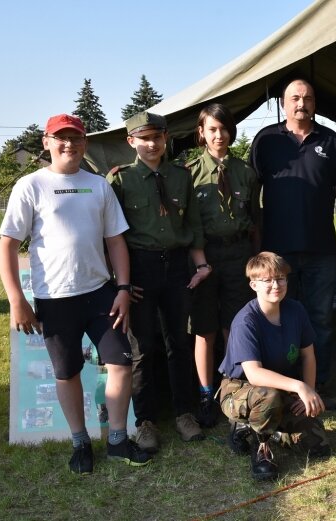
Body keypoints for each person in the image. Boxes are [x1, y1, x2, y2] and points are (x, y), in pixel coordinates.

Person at [0, 113, 151, 473]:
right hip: (55, 299)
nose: (70, 144)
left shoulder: (98, 185)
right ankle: (80, 442)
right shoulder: (30, 186)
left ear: (85, 143)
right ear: (46, 143)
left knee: (121, 363)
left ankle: (116, 439)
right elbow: (7, 246)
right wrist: (17, 300)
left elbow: (115, 240)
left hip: (100, 294)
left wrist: (123, 288)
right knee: (66, 373)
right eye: (61, 138)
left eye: (77, 138)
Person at [249, 78, 336, 409]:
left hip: (321, 250)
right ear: (283, 103)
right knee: (278, 320)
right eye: (295, 97)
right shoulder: (266, 140)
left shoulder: (330, 140)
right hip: (276, 254)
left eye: (308, 97)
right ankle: (284, 389)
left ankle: (317, 385)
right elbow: (251, 196)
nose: (301, 102)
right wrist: (255, 246)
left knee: (319, 318)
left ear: (314, 103)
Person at [106, 111, 211, 453]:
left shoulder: (181, 177)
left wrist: (200, 265)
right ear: (131, 141)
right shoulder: (120, 181)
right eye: (144, 138)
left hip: (178, 268)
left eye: (157, 137)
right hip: (140, 270)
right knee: (142, 347)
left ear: (166, 138)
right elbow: (109, 235)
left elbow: (193, 224)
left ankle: (184, 414)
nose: (152, 144)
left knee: (179, 342)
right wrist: (120, 281)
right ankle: (145, 421)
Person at [217, 252, 331, 481]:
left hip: (280, 388)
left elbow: (308, 356)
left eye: (280, 278)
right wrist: (299, 386)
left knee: (318, 445)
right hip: (241, 389)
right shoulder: (245, 321)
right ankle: (260, 446)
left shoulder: (296, 310)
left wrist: (306, 394)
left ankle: (275, 430)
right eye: (267, 280)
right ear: (254, 284)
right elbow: (254, 374)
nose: (275, 285)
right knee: (267, 397)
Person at [188, 103, 261, 427]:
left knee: (236, 327)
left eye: (224, 128)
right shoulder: (188, 173)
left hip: (239, 256)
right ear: (201, 133)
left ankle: (236, 391)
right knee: (204, 330)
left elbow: (255, 220)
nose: (219, 135)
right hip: (203, 259)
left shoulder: (246, 172)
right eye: (212, 129)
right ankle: (206, 393)